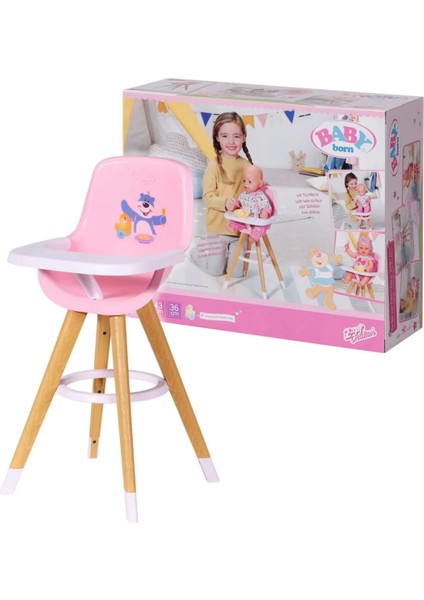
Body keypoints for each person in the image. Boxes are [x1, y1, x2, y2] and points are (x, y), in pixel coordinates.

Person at [191, 112, 253, 276]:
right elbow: (208, 196)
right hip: (218, 228)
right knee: (216, 271)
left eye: (236, 136)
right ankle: (196, 253)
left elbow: (253, 191)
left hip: (239, 229)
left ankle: (224, 256)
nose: (231, 141)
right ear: (217, 138)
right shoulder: (214, 165)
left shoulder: (247, 166)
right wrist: (225, 203)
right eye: (225, 136)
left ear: (244, 137)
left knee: (237, 273)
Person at [226, 164, 272, 242]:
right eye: (244, 181)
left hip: (257, 220)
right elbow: (240, 203)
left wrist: (265, 213)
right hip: (246, 219)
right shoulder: (244, 194)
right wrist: (235, 205)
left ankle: (254, 236)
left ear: (260, 184)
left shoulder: (261, 195)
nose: (245, 184)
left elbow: (267, 206)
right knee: (235, 221)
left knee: (261, 227)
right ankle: (233, 226)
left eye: (249, 182)